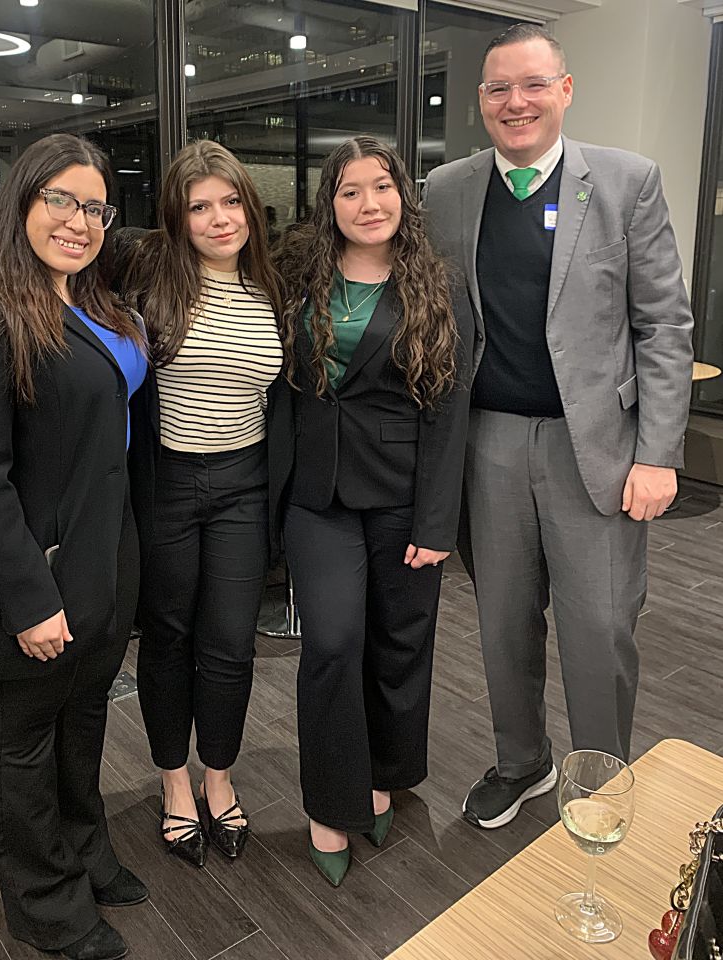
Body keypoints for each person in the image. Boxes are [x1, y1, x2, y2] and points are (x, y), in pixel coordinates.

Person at [421, 23, 694, 830]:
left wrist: (658, 453)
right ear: (479, 102)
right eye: (498, 89)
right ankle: (521, 762)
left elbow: (664, 327)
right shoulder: (446, 190)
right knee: (503, 620)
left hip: (598, 451)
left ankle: (600, 774)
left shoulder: (624, 182)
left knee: (599, 625)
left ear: (564, 90)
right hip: (488, 442)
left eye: (533, 84)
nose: (516, 103)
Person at [0, 134, 151, 960]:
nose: (78, 220)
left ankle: (84, 851)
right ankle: (45, 904)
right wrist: (32, 601)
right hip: (23, 577)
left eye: (94, 207)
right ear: (21, 199)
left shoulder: (93, 302)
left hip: (95, 561)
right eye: (60, 198)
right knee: (22, 743)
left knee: (82, 721)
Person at [270, 136, 473, 886]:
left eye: (380, 187)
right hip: (316, 495)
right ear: (329, 204)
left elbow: (451, 410)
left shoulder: (437, 285)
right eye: (349, 191)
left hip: (402, 496)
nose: (367, 204)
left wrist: (435, 522)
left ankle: (384, 771)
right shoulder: (300, 277)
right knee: (330, 643)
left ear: (402, 196)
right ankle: (330, 804)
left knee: (398, 644)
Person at [120, 141, 283, 866]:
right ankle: (174, 781)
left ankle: (218, 777)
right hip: (169, 485)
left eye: (230, 202)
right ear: (176, 219)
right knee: (167, 638)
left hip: (245, 486)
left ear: (249, 206)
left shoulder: (274, 289)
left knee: (228, 643)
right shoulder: (147, 284)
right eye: (199, 207)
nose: (219, 219)